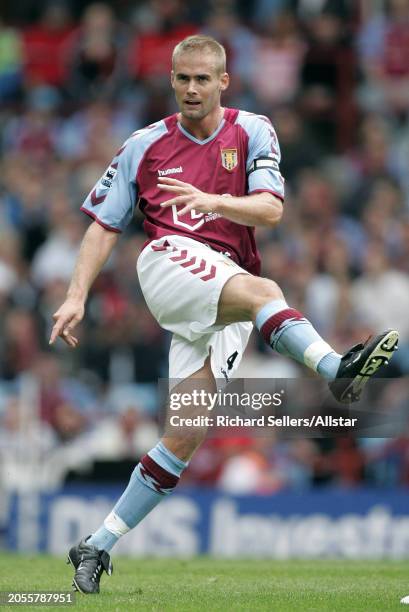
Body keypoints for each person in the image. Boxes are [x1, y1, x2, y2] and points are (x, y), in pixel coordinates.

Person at [49, 35, 399, 594]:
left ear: (223, 82)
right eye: (183, 78)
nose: (192, 88)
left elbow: (272, 210)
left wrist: (214, 203)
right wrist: (76, 295)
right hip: (168, 263)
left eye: (203, 79)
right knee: (267, 291)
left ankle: (95, 545)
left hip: (222, 292)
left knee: (184, 435)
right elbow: (103, 225)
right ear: (171, 79)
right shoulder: (143, 145)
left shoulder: (252, 130)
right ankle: (336, 372)